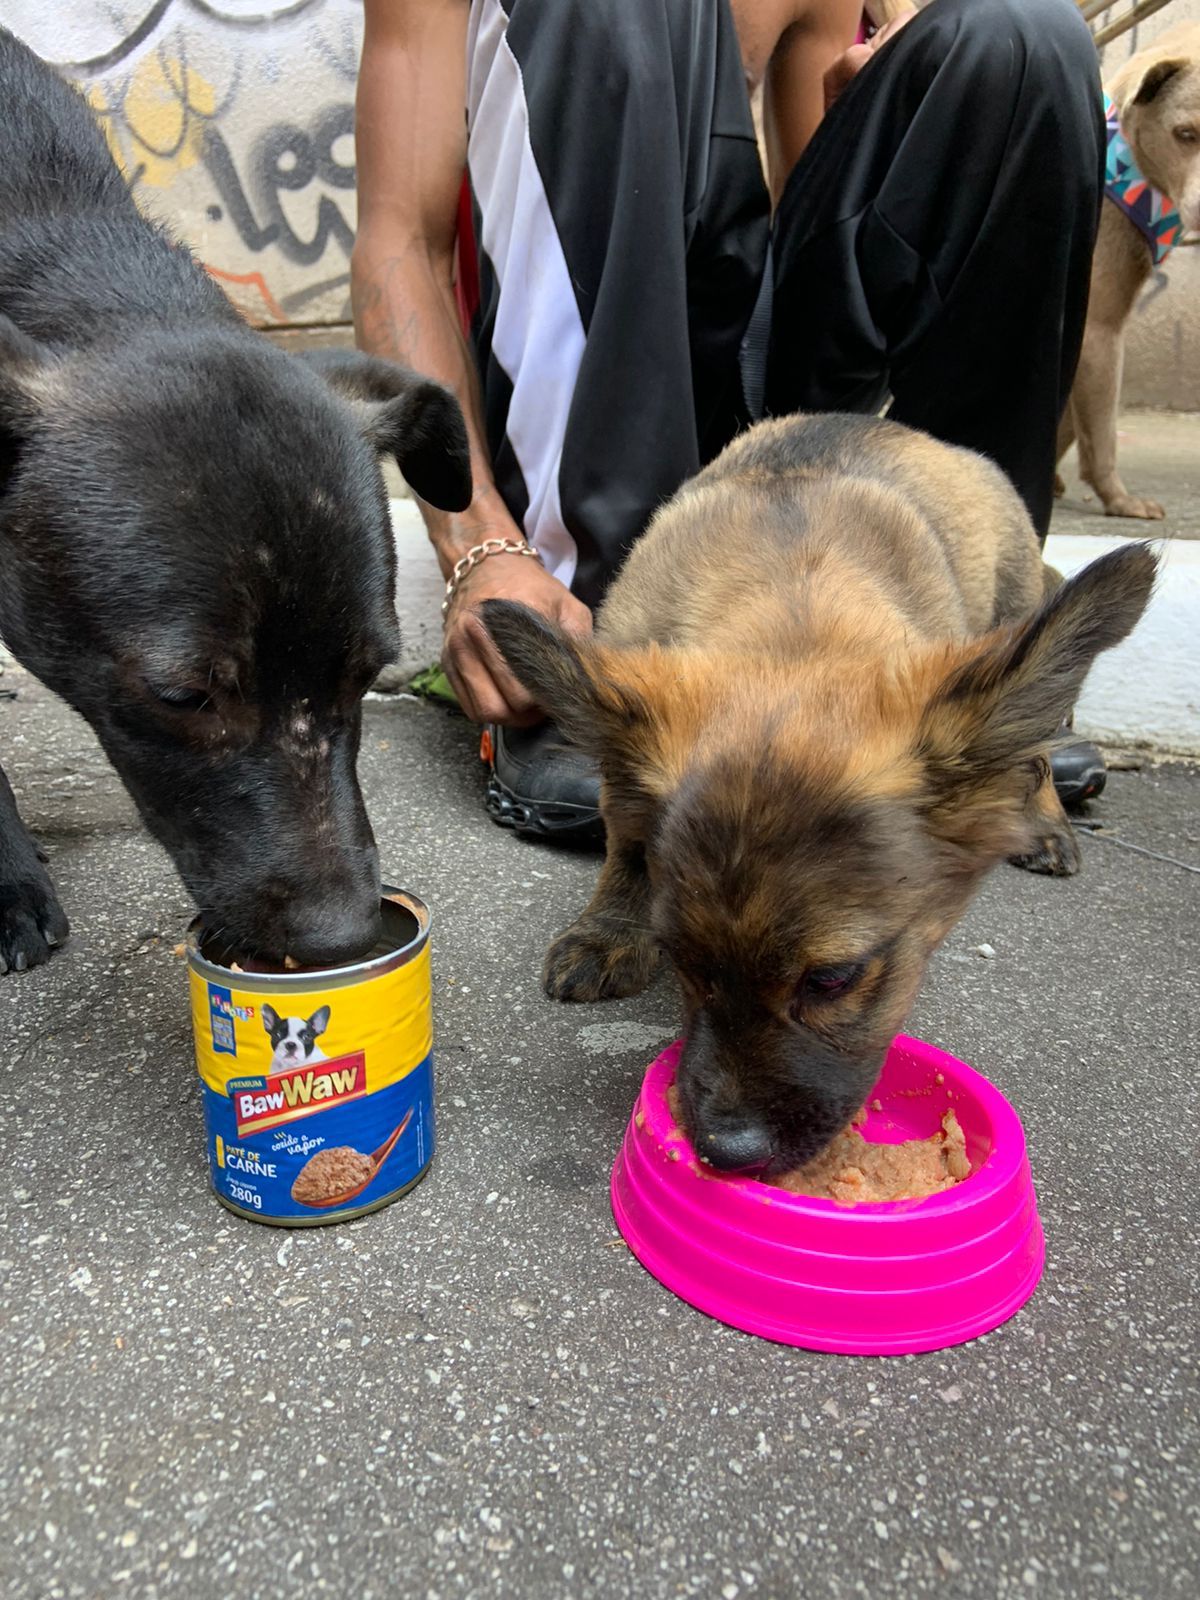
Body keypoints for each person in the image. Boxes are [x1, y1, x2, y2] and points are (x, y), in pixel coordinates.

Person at [352, 0, 1108, 840]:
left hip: (739, 382)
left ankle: (975, 673)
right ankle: (597, 645)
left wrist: (896, 134)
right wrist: (478, 545)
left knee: (1016, 39)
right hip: (597, 362)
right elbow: (400, 240)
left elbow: (802, 262)